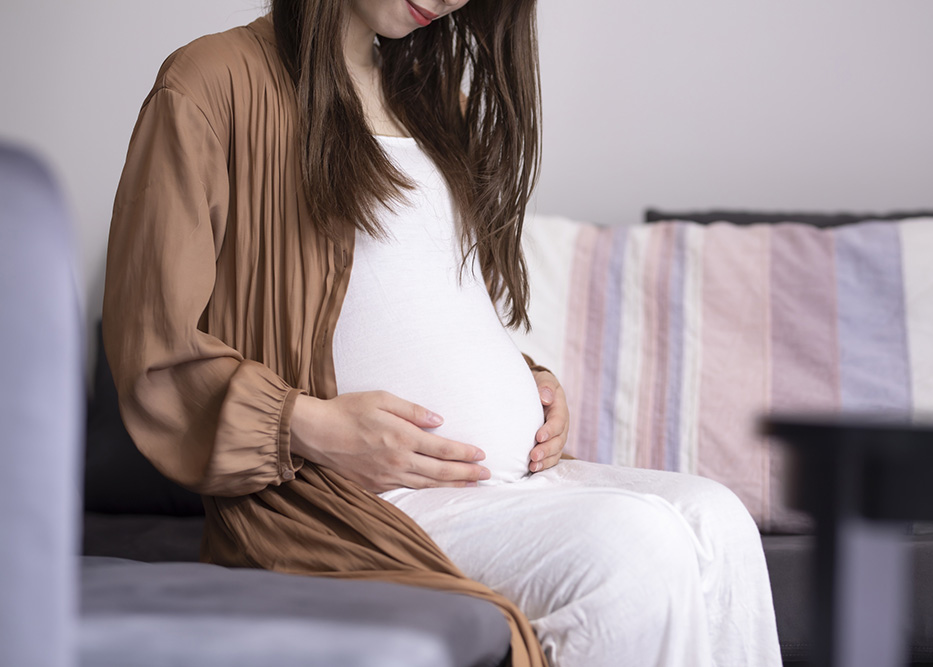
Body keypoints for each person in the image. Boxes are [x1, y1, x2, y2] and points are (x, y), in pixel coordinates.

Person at [103, 1, 782, 665]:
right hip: (347, 501)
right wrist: (304, 424)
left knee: (720, 518)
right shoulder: (211, 80)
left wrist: (528, 382)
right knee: (635, 548)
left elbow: (423, 304)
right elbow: (154, 345)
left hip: (501, 485)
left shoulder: (434, 99)